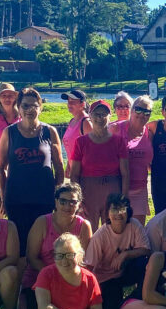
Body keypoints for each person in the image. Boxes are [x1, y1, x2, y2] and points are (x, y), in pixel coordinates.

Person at [0, 88, 64, 256]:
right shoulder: (9, 132)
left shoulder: (49, 131)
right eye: (25, 106)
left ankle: (41, 279)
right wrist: (3, 196)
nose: (29, 110)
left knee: (44, 244)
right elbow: (0, 167)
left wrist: (57, 193)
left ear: (40, 108)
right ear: (18, 108)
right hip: (17, 199)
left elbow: (59, 166)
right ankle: (21, 280)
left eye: (34, 106)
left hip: (44, 199)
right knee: (19, 245)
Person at [22, 182, 93, 309]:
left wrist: (67, 279)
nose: (67, 206)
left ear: (79, 204)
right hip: (41, 277)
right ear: (56, 201)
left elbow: (84, 260)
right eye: (63, 201)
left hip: (70, 279)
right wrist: (53, 276)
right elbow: (32, 257)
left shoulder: (84, 226)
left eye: (72, 202)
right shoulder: (42, 223)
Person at [83, 194, 151, 309]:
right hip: (106, 278)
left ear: (128, 211)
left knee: (144, 263)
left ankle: (140, 296)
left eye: (122, 209)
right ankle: (123, 303)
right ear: (108, 213)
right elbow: (88, 267)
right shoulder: (101, 235)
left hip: (125, 271)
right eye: (114, 209)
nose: (118, 214)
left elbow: (146, 250)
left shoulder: (134, 224)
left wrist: (125, 254)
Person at [70, 99, 130, 231]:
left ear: (110, 117)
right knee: (87, 229)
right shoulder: (81, 142)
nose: (100, 118)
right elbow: (74, 174)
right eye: (97, 114)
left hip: (112, 189)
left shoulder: (118, 141)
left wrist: (124, 198)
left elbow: (125, 173)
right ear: (90, 116)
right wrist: (77, 198)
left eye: (104, 114)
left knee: (112, 230)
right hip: (88, 191)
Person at [112, 95, 154, 225]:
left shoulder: (149, 133)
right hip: (118, 187)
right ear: (131, 110)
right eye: (138, 109)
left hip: (140, 189)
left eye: (147, 112)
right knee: (117, 229)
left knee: (137, 230)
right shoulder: (116, 128)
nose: (142, 114)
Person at [60, 88, 90, 175]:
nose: (69, 104)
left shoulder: (86, 122)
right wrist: (68, 166)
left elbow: (93, 151)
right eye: (68, 101)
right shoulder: (72, 121)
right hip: (74, 172)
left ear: (82, 104)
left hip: (85, 174)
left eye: (73, 102)